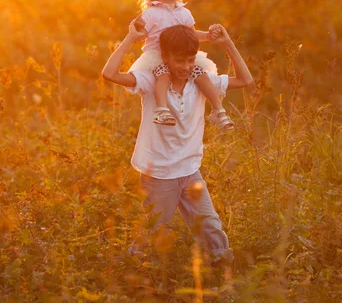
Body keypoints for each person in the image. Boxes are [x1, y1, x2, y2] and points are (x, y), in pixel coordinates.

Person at [102, 22, 253, 263]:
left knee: (212, 228)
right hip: (160, 174)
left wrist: (227, 44)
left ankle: (224, 277)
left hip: (190, 171)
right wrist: (130, 38)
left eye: (191, 60)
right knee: (152, 234)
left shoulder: (200, 81)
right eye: (179, 61)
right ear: (165, 57)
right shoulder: (152, 82)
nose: (186, 67)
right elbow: (109, 74)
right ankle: (131, 275)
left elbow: (245, 80)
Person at [130, 0, 234, 129]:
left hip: (181, 55)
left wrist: (208, 35)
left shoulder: (185, 13)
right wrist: (137, 30)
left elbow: (191, 34)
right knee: (163, 75)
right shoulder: (151, 13)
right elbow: (141, 34)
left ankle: (218, 110)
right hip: (159, 56)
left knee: (202, 75)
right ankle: (162, 110)